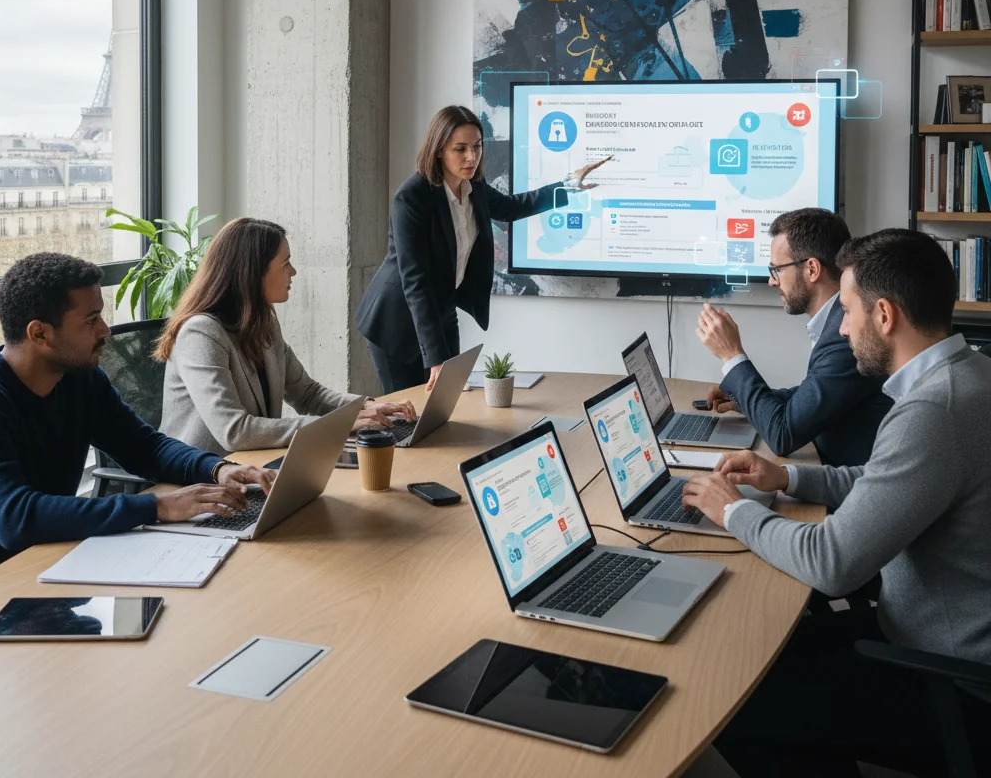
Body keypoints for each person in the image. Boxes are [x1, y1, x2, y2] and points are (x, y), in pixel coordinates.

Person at [683, 229, 991, 775]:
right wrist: (788, 480)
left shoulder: (932, 411)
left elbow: (831, 564)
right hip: (927, 638)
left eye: (847, 311)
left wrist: (733, 510)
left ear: (885, 316)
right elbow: (885, 479)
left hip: (950, 682)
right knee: (761, 650)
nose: (841, 327)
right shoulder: (968, 374)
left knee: (730, 701)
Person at [0, 253, 275, 578]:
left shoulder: (79, 378)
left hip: (54, 557)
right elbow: (13, 518)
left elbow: (145, 447)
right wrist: (159, 506)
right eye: (91, 320)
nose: (105, 330)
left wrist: (218, 469)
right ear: (40, 334)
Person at [355, 105, 609, 394]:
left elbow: (511, 207)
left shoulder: (474, 187)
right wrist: (436, 359)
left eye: (476, 147)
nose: (471, 157)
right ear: (439, 150)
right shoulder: (411, 198)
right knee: (408, 414)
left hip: (441, 311)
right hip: (395, 322)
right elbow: (416, 283)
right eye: (460, 149)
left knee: (446, 404)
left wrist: (567, 185)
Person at [157, 218, 416, 457]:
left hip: (251, 469)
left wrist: (366, 406)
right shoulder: (201, 333)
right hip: (198, 484)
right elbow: (234, 432)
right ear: (252, 274)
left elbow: (307, 393)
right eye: (285, 264)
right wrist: (337, 424)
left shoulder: (262, 320)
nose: (293, 272)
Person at [694, 208, 891, 466]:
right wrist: (744, 399)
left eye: (777, 269)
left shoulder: (847, 337)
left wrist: (732, 355)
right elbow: (814, 396)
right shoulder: (834, 322)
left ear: (811, 269)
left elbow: (782, 436)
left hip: (845, 486)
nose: (771, 281)